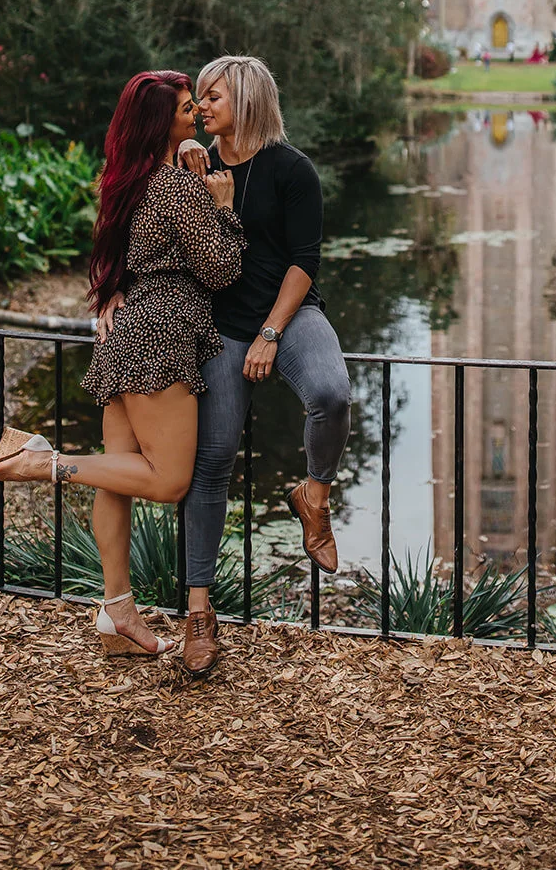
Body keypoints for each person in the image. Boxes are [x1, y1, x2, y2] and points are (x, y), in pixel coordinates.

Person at [97, 54, 352, 679]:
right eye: (198, 99)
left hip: (287, 315)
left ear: (248, 101)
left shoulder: (293, 169)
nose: (203, 106)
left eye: (213, 97)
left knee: (331, 392)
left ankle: (313, 495)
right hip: (217, 330)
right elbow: (148, 230)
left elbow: (304, 260)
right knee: (210, 465)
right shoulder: (194, 167)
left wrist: (272, 331)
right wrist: (112, 288)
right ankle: (199, 614)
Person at [0, 71, 243, 658]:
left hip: (126, 332)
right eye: (183, 109)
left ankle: (115, 609)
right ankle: (36, 462)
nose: (196, 112)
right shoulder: (177, 188)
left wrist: (191, 161)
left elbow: (124, 257)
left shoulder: (126, 182)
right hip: (162, 337)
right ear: (159, 124)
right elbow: (222, 268)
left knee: (116, 475)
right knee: (170, 480)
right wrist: (221, 205)